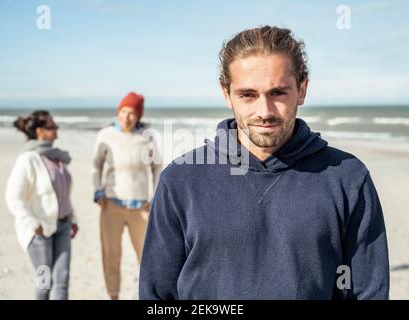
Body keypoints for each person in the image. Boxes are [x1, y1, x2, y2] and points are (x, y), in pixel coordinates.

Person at [139, 26, 389, 300]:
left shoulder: (348, 177)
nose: (264, 111)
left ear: (302, 89)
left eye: (278, 93)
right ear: (227, 94)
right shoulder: (180, 180)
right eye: (248, 95)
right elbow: (157, 296)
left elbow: (368, 292)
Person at [93, 92, 162, 300]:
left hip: (141, 208)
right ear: (118, 112)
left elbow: (157, 168)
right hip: (111, 205)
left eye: (132, 113)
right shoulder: (105, 134)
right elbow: (95, 166)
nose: (127, 117)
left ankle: (148, 298)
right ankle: (114, 296)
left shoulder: (147, 136)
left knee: (148, 257)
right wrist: (98, 191)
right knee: (111, 255)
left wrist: (154, 197)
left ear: (138, 116)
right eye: (123, 111)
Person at [5, 110, 79, 300]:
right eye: (52, 126)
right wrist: (32, 223)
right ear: (39, 131)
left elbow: (63, 194)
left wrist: (73, 218)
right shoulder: (27, 159)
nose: (56, 129)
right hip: (39, 231)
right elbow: (13, 197)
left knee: (62, 279)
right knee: (44, 283)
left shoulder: (58, 158)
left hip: (63, 226)